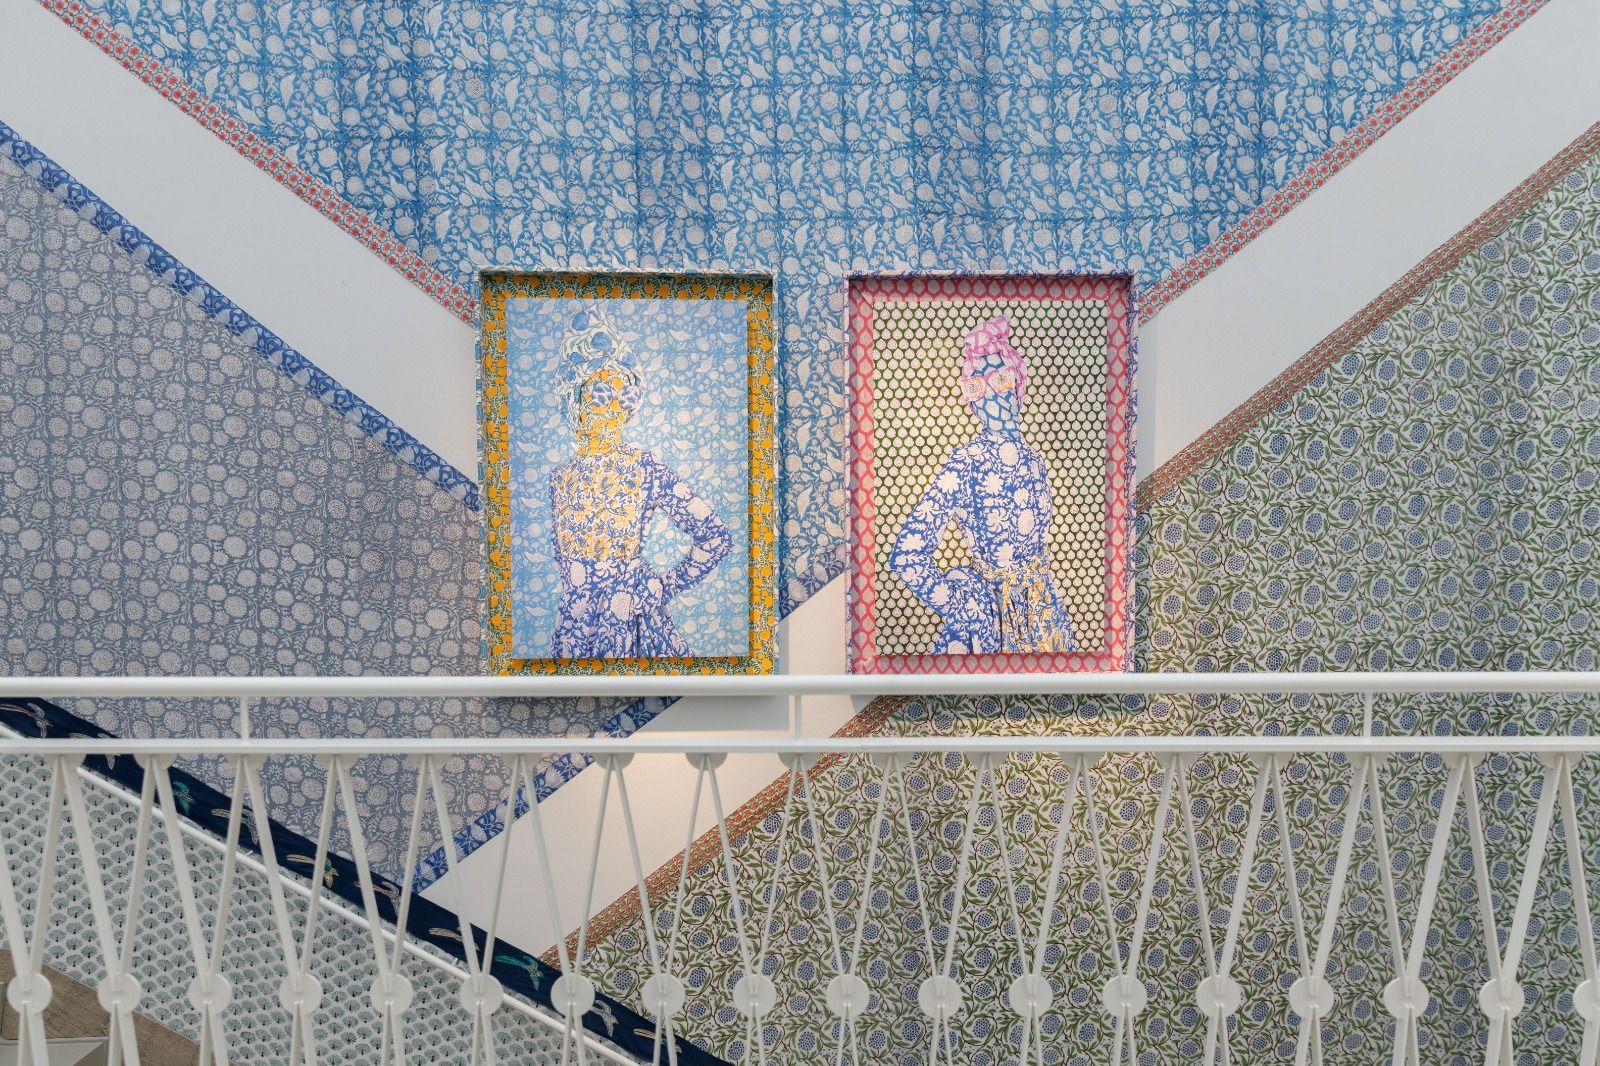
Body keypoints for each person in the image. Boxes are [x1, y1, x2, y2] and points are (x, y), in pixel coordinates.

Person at [545, 305, 732, 658]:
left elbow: (716, 536)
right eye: (602, 394)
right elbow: (564, 565)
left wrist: (663, 586)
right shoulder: (560, 479)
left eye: (626, 396)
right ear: (575, 400)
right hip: (573, 635)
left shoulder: (645, 468)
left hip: (634, 625)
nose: (616, 408)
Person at [888, 314, 1077, 655]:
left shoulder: (1035, 460)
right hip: (992, 626)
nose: (992, 395)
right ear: (970, 399)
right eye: (976, 386)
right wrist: (963, 605)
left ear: (1018, 384)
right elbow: (907, 555)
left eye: (1002, 379)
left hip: (1047, 621)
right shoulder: (967, 462)